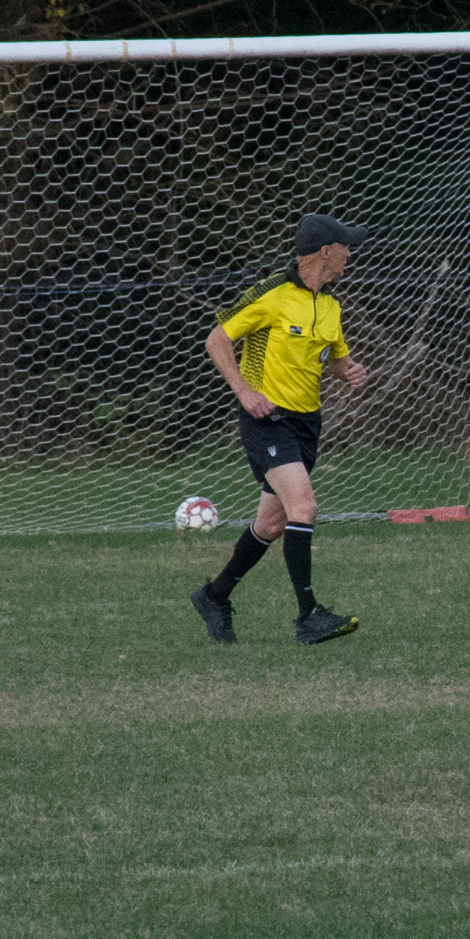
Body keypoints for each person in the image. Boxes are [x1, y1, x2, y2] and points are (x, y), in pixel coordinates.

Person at [189, 215, 370, 645]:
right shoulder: (271, 294)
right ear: (325, 251)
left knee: (270, 526)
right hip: (267, 420)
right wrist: (244, 392)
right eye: (346, 246)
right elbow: (217, 339)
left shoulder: (330, 305)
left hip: (308, 423)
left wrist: (351, 372)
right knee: (304, 507)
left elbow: (337, 361)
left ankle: (214, 596)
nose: (351, 253)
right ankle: (309, 617)